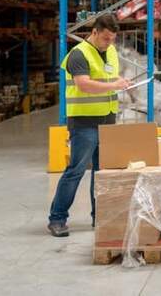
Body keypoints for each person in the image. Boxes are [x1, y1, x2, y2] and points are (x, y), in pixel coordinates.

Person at [48, 14, 130, 237]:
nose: (109, 43)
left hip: (107, 119)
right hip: (84, 123)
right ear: (94, 32)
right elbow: (84, 85)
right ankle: (57, 218)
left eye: (112, 39)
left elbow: (108, 79)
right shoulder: (78, 54)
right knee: (75, 171)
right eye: (105, 38)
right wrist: (114, 84)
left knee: (102, 173)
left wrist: (120, 84)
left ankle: (99, 217)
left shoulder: (110, 51)